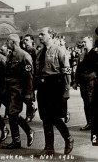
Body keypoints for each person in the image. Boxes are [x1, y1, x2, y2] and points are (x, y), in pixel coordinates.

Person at [35, 27, 73, 156]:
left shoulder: (59, 50)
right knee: (45, 118)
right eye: (39, 34)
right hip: (43, 86)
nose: (39, 36)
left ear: (50, 35)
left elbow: (67, 70)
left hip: (55, 85)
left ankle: (68, 139)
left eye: (42, 34)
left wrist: (67, 89)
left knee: (55, 116)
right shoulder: (40, 52)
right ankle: (49, 147)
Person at [2, 34, 34, 149]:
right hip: (9, 90)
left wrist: (28, 93)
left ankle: (17, 140)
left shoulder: (24, 56)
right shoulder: (10, 55)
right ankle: (28, 131)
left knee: (12, 113)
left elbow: (29, 77)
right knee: (13, 114)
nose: (6, 44)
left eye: (7, 41)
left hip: (18, 91)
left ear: (13, 42)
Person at [73, 36, 97, 131]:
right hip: (83, 83)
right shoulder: (82, 55)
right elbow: (78, 69)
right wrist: (75, 81)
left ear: (91, 42)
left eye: (85, 42)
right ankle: (89, 122)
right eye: (82, 42)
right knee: (86, 103)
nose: (83, 44)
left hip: (92, 82)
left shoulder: (95, 53)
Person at [23, 34, 38, 122]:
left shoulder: (35, 52)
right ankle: (32, 107)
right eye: (24, 40)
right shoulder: (24, 51)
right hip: (25, 76)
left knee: (29, 95)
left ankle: (29, 114)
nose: (25, 42)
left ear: (32, 41)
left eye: (27, 40)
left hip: (33, 77)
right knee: (25, 96)